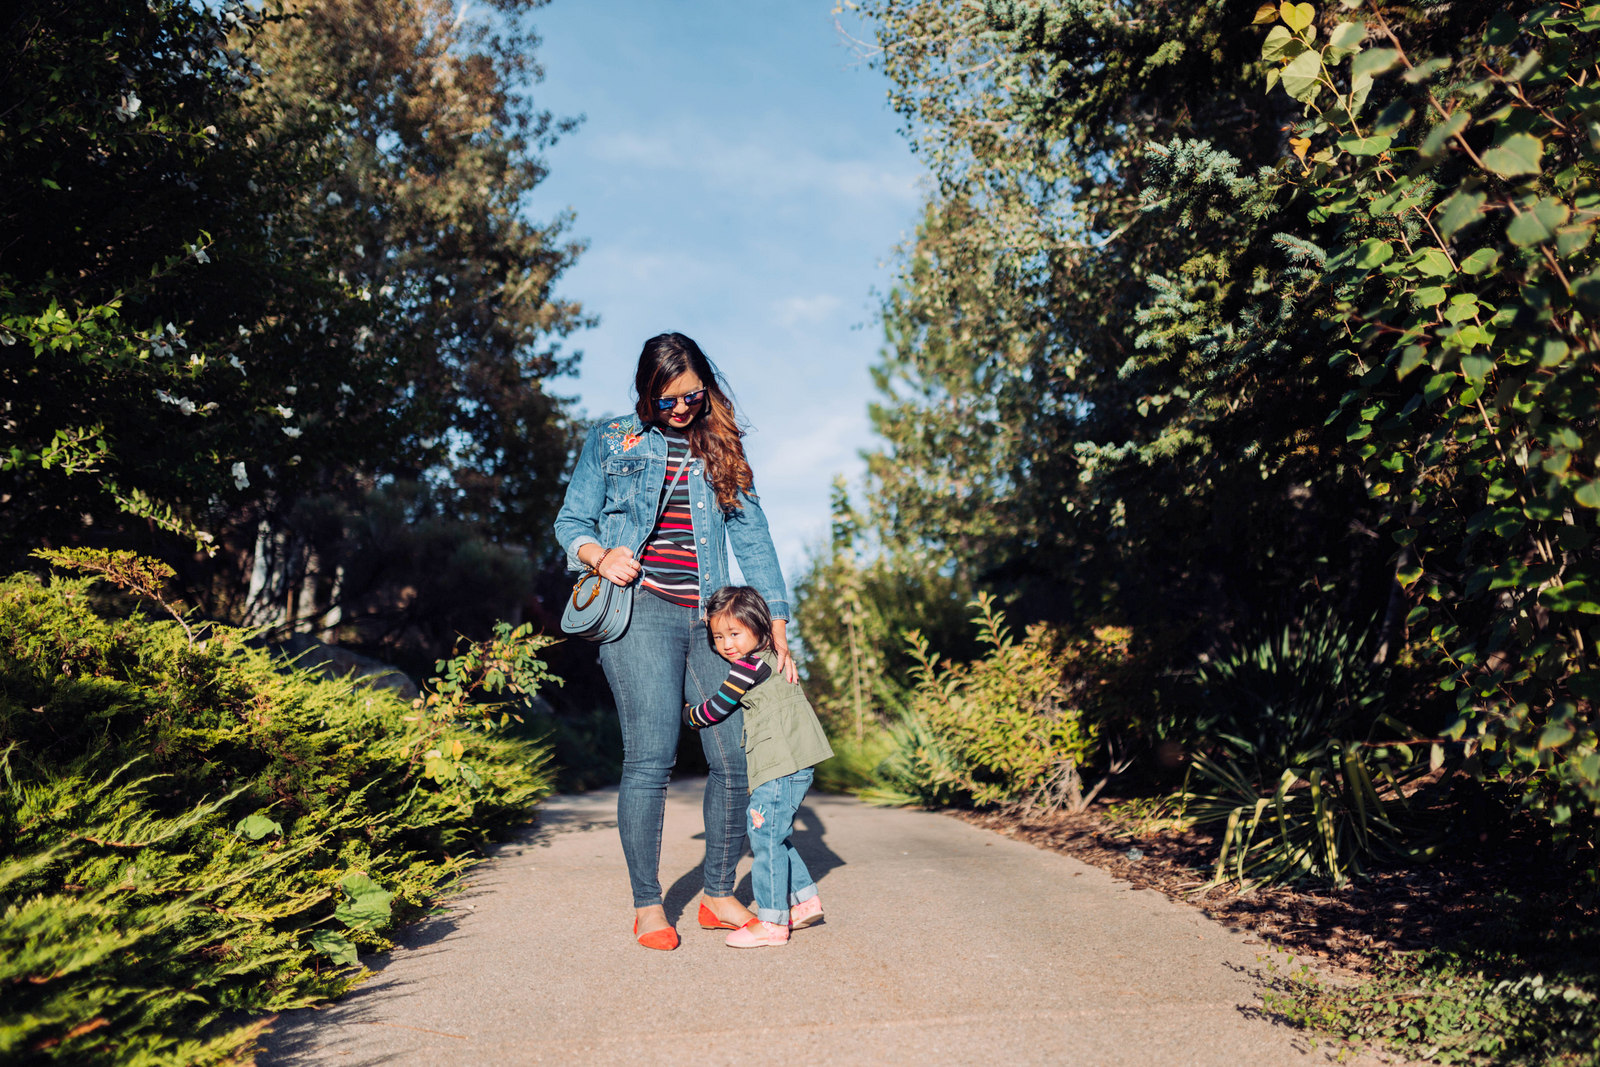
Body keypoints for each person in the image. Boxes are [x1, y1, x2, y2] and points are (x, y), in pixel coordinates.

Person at [553, 332, 798, 951]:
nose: (683, 409)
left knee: (733, 758)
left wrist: (778, 626)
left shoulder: (718, 443)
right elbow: (571, 520)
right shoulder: (613, 439)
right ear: (647, 395)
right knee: (651, 758)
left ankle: (717, 893)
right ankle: (647, 904)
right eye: (668, 401)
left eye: (693, 395)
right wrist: (600, 556)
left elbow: (755, 538)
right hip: (641, 614)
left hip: (712, 620)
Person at [684, 585, 833, 949]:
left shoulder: (748, 668)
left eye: (734, 633)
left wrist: (689, 716)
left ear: (759, 626)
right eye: (718, 636)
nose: (726, 643)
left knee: (763, 836)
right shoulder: (776, 658)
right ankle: (805, 900)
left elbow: (718, 707)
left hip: (777, 764)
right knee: (774, 834)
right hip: (799, 761)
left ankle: (771, 922)